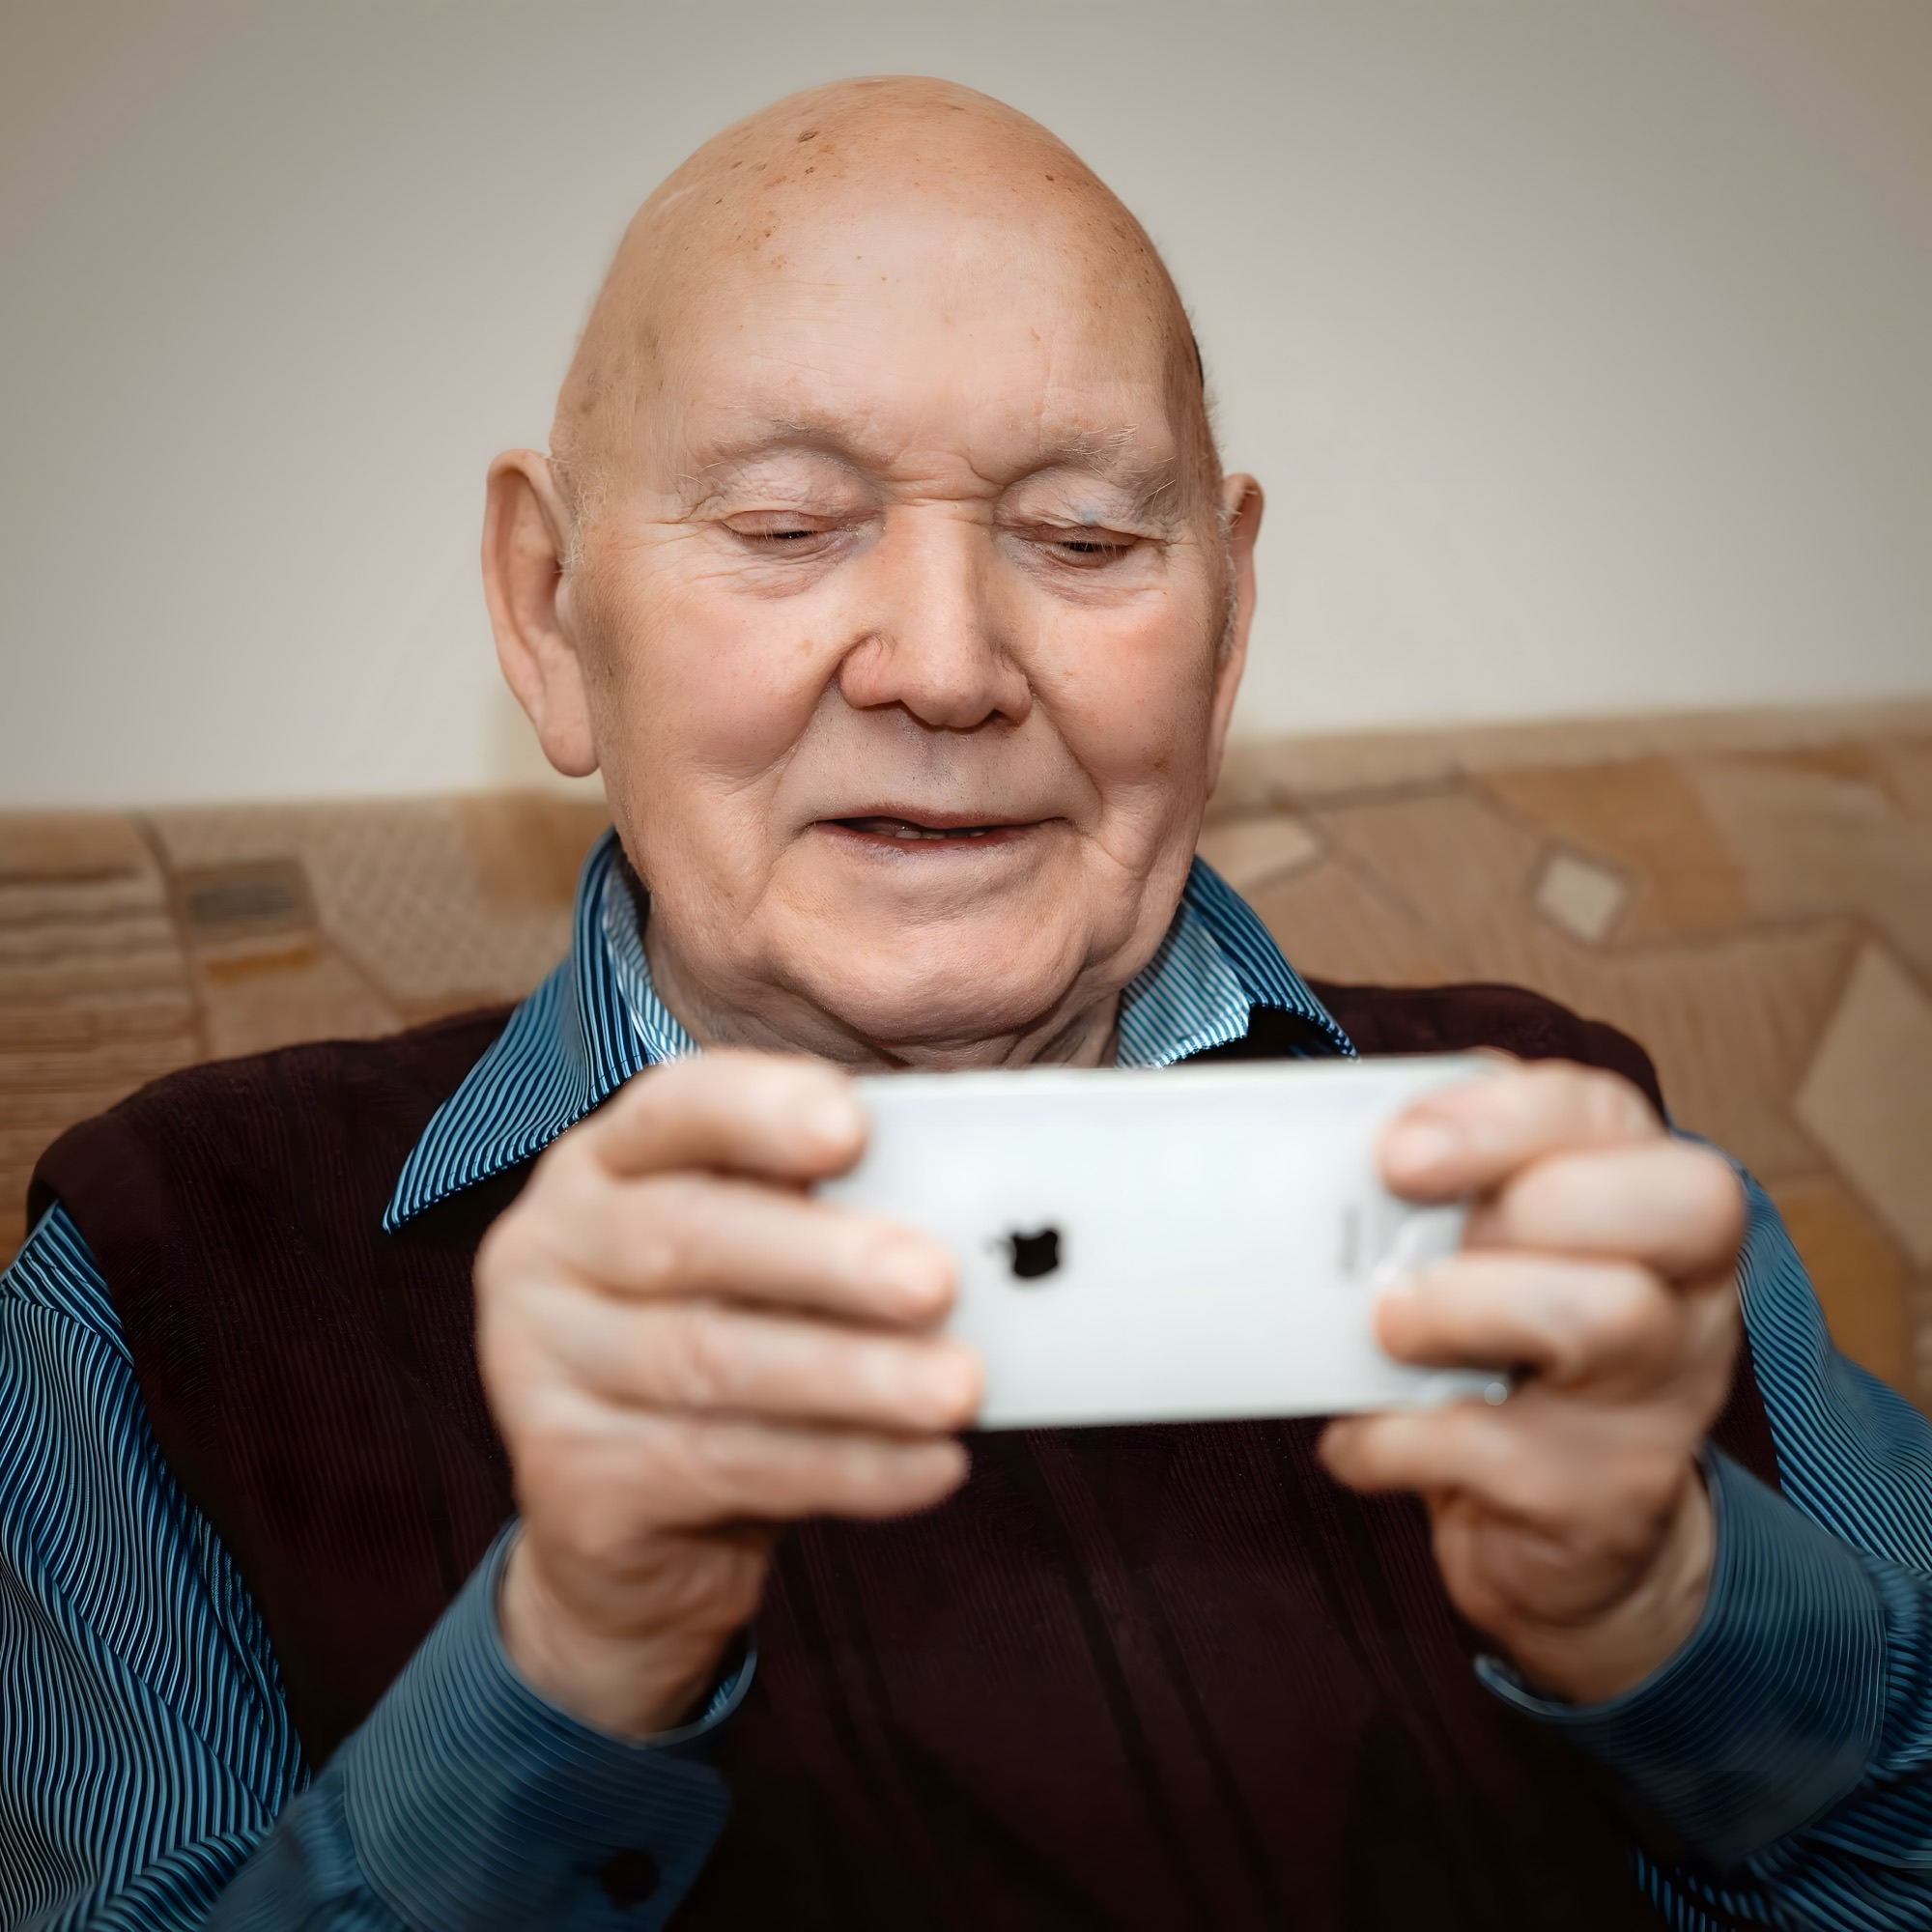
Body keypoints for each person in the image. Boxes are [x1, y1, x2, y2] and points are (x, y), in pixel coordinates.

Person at [3, 75, 1928, 1932]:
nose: (943, 666)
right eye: (785, 526)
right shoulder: (163, 1275)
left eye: (1083, 539)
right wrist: (567, 1666)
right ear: (544, 606)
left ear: (1227, 620)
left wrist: (1674, 1611)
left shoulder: (1564, 1158)